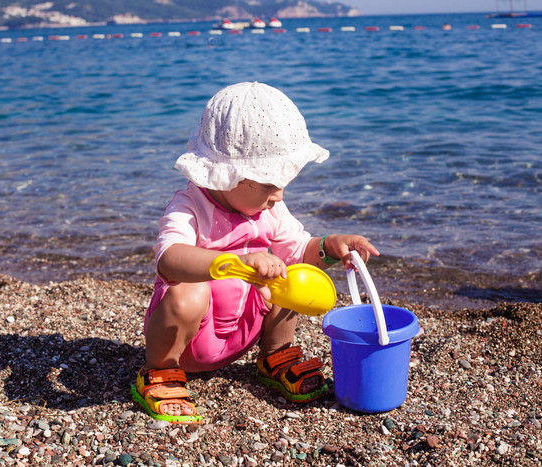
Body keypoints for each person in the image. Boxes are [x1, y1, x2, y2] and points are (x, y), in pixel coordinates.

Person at [131, 82, 379, 423]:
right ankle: (159, 372)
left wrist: (330, 247)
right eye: (268, 184)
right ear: (229, 175)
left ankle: (274, 355)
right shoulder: (189, 206)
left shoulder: (269, 209)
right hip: (186, 341)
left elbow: (299, 250)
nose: (278, 195)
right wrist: (235, 264)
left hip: (242, 331)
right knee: (187, 292)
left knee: (288, 272)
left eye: (282, 184)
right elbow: (169, 259)